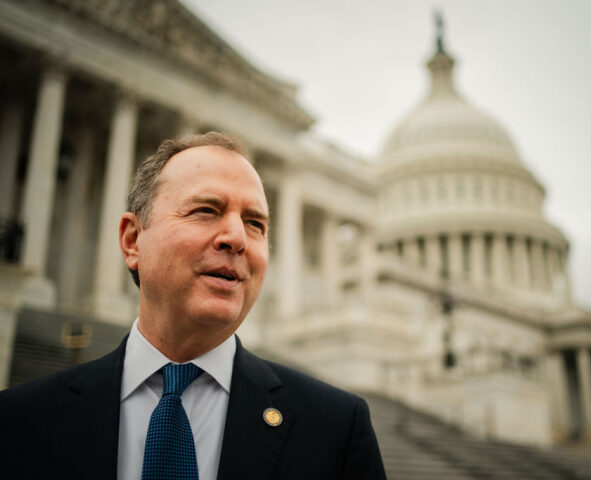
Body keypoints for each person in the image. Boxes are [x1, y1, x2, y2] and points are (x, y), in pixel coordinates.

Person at [0, 131, 387, 479]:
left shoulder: (336, 430)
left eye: (255, 224)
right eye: (207, 210)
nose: (237, 237)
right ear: (133, 240)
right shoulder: (17, 422)